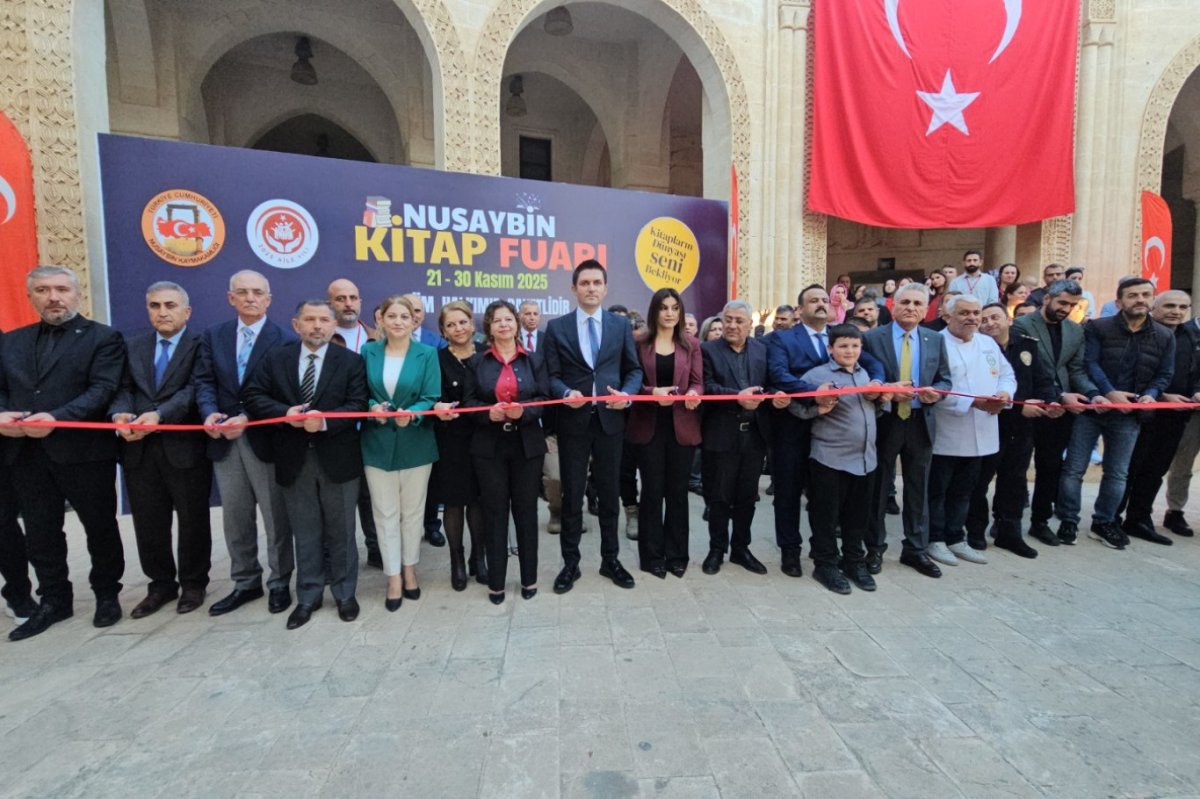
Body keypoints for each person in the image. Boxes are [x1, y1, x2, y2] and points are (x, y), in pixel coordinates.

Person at [0, 266, 126, 640]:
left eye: (61, 289)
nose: (53, 297)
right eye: (43, 290)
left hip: (84, 453)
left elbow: (102, 389)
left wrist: (56, 418)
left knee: (100, 528)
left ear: (77, 293)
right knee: (41, 533)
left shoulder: (104, 338)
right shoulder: (12, 341)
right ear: (30, 296)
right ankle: (54, 600)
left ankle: (107, 595)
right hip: (26, 453)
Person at [243, 300, 368, 629]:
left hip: (338, 458)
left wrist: (324, 421)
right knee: (305, 532)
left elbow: (358, 403)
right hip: (293, 458)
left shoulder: (351, 361)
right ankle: (308, 596)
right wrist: (285, 414)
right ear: (296, 325)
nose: (317, 326)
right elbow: (253, 396)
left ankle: (344, 593)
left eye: (324, 320)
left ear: (333, 325)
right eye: (309, 319)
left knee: (342, 531)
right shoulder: (276, 358)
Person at [194, 269, 295, 617]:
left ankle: (279, 581)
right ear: (231, 298)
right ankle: (245, 581)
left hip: (264, 439)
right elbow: (204, 381)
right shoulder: (214, 335)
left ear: (268, 299)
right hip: (224, 440)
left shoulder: (284, 340)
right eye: (243, 292)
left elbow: (282, 392)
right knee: (235, 517)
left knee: (275, 517)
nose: (250, 298)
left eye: (257, 292)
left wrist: (248, 417)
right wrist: (209, 412)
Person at [109, 281, 212, 617]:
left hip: (184, 449)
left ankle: (194, 583)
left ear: (187, 311)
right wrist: (120, 414)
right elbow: (122, 388)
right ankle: (160, 585)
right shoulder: (132, 345)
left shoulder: (201, 345)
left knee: (193, 520)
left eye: (170, 305)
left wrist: (160, 414)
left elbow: (195, 389)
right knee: (148, 522)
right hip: (139, 450)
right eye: (155, 306)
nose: (162, 312)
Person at [767, 284, 884, 577]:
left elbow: (872, 363)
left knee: (828, 500)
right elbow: (779, 375)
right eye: (813, 300)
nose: (820, 304)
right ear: (799, 309)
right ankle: (790, 551)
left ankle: (830, 552)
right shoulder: (782, 338)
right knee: (789, 492)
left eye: (824, 299)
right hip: (795, 427)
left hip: (834, 433)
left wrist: (877, 383)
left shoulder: (840, 336)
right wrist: (814, 392)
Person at [543, 260, 643, 594]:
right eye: (584, 283)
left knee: (610, 494)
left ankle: (610, 559)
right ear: (574, 288)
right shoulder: (557, 328)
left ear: (605, 287)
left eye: (596, 282)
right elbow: (552, 376)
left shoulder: (620, 326)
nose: (591, 288)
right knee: (572, 495)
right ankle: (570, 564)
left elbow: (633, 370)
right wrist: (564, 393)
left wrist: (627, 395)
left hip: (610, 421)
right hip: (573, 422)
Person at [1056, 277, 1174, 549]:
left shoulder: (1164, 335)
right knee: (1074, 469)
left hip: (1128, 415)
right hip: (1092, 408)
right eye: (1132, 295)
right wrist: (1108, 393)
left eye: (1145, 294)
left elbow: (1164, 373)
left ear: (1152, 299)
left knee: (1117, 473)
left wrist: (1151, 394)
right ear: (1119, 301)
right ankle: (1068, 520)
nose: (1140, 300)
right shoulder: (1098, 327)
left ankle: (1104, 522)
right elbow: (1090, 363)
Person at [861, 283, 952, 578]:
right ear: (893, 306)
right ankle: (874, 548)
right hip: (885, 421)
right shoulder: (872, 338)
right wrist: (886, 392)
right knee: (877, 488)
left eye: (917, 304)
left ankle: (915, 549)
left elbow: (945, 379)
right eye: (905, 302)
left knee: (918, 488)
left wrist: (936, 393)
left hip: (920, 421)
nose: (911, 308)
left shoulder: (935, 339)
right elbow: (863, 379)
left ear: (926, 310)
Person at [463, 300, 549, 604]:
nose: (503, 324)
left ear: (517, 324)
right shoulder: (476, 362)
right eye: (497, 320)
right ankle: (496, 582)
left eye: (508, 319)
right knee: (495, 513)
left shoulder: (534, 360)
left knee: (526, 513)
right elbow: (468, 403)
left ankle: (529, 579)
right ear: (489, 327)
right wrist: (488, 413)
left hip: (527, 445)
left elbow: (544, 398)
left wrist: (523, 412)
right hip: (490, 447)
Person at [360, 295, 441, 610]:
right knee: (385, 514)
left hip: (415, 443)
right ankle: (392, 576)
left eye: (404, 316)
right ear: (380, 319)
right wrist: (372, 407)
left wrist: (414, 413)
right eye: (391, 315)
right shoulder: (368, 351)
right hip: (377, 444)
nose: (397, 322)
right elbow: (361, 394)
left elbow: (431, 396)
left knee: (412, 513)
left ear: (414, 320)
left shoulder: (427, 354)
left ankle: (410, 570)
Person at [794, 324, 888, 594]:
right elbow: (795, 406)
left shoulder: (866, 375)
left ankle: (853, 561)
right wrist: (817, 409)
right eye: (843, 346)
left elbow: (875, 409)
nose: (849, 351)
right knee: (825, 516)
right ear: (830, 348)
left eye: (855, 346)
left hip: (865, 459)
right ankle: (825, 564)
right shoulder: (816, 375)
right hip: (829, 458)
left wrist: (881, 399)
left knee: (857, 516)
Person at [924, 296, 1015, 567]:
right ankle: (935, 539)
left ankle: (956, 537)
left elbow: (1006, 375)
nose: (972, 318)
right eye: (964, 313)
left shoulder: (987, 343)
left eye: (976, 313)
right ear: (948, 316)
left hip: (983, 428)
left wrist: (1004, 394)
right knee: (939, 490)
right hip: (947, 430)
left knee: (965, 490)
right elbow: (932, 387)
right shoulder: (936, 343)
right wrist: (972, 402)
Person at [1012, 279, 1104, 547]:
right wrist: (1058, 395)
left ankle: (1040, 522)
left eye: (1072, 305)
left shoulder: (1075, 331)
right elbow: (1031, 368)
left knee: (1050, 467)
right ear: (1047, 299)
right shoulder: (1022, 325)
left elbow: (1076, 370)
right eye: (1062, 302)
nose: (1066, 308)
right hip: (1029, 405)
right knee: (1016, 468)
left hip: (1060, 412)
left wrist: (1093, 393)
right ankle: (1008, 521)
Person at [700, 301, 786, 575]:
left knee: (747, 497)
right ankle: (716, 549)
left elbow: (770, 383)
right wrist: (737, 397)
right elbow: (707, 387)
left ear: (750, 324)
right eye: (728, 319)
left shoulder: (762, 349)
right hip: (721, 433)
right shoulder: (707, 350)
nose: (732, 325)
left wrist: (776, 396)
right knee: (718, 496)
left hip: (755, 435)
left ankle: (741, 548)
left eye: (739, 321)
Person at [967, 303, 1057, 559]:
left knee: (1014, 481)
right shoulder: (977, 348)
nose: (989, 323)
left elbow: (1043, 379)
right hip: (988, 423)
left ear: (1009, 319)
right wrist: (1019, 408)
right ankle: (975, 531)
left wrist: (1049, 402)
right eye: (984, 320)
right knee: (979, 482)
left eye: (995, 317)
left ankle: (1009, 532)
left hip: (1021, 429)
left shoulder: (1027, 345)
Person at [626, 289, 702, 579]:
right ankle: (652, 557)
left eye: (675, 308)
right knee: (652, 491)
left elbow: (698, 382)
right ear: (654, 311)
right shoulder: (639, 343)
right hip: (649, 427)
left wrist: (694, 393)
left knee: (678, 493)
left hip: (682, 426)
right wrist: (651, 393)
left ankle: (678, 555)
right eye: (664, 308)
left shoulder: (692, 345)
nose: (670, 313)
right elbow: (632, 383)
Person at [1116, 290, 1200, 545]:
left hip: (1176, 416)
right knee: (1129, 469)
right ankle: (1111, 519)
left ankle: (1139, 519)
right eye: (1170, 306)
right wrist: (1162, 396)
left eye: (1183, 307)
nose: (1176, 311)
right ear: (1155, 306)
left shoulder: (1190, 336)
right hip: (1141, 413)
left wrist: (1195, 391)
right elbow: (1130, 374)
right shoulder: (1142, 333)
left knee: (1155, 471)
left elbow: (1195, 371)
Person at [430, 301, 488, 590]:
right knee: (454, 502)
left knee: (479, 500)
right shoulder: (436, 358)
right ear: (443, 330)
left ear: (472, 324)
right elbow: (430, 396)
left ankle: (479, 558)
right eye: (450, 325)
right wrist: (437, 407)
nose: (458, 328)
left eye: (462, 322)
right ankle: (457, 560)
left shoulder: (487, 354)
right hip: (450, 440)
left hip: (485, 438)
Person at [328, 278, 382, 568]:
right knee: (338, 500)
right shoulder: (321, 339)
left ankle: (376, 548)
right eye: (340, 298)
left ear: (360, 301)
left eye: (353, 297)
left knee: (372, 495)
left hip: (372, 431)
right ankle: (337, 556)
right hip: (335, 434)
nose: (348, 303)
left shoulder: (377, 338)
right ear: (330, 304)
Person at [402, 292, 448, 548]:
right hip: (394, 422)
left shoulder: (435, 342)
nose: (413, 315)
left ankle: (431, 526)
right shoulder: (383, 343)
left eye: (417, 310)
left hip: (427, 419)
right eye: (408, 309)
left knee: (429, 480)